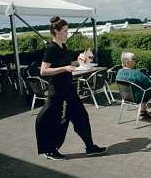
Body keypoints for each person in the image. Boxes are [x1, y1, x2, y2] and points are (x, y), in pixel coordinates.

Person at [35, 16, 107, 160]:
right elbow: (43, 71)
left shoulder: (63, 46)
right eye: (65, 31)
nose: (67, 34)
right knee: (53, 121)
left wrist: (80, 60)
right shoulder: (51, 48)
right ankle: (49, 150)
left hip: (69, 89)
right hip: (57, 91)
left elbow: (67, 64)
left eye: (68, 31)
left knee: (82, 117)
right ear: (56, 31)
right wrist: (64, 68)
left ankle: (90, 147)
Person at [116, 52, 151, 116]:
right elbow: (149, 84)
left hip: (126, 97)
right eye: (133, 59)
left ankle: (143, 109)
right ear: (127, 62)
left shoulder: (119, 72)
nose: (135, 60)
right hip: (138, 97)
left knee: (142, 89)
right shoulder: (136, 73)